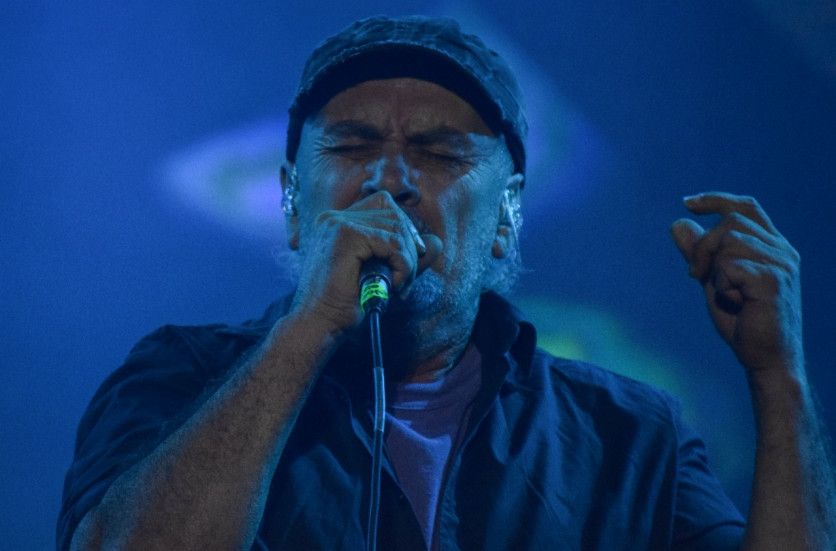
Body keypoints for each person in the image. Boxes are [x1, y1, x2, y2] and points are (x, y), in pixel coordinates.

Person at [59, 15, 834, 550]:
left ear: (506, 218)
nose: (390, 178)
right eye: (352, 146)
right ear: (293, 205)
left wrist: (780, 376)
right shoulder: (180, 378)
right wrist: (310, 326)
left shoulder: (629, 437)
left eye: (439, 152)